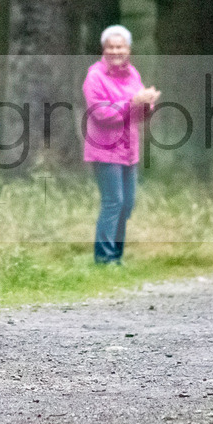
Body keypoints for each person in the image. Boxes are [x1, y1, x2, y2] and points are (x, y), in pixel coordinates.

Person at [81, 25, 160, 265]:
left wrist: (147, 104)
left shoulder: (133, 74)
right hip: (104, 150)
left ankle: (116, 256)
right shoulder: (94, 76)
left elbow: (138, 114)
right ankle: (104, 259)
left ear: (128, 49)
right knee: (113, 202)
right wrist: (132, 102)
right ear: (104, 50)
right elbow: (101, 114)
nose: (116, 51)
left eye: (121, 47)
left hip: (129, 150)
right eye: (111, 47)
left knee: (127, 204)